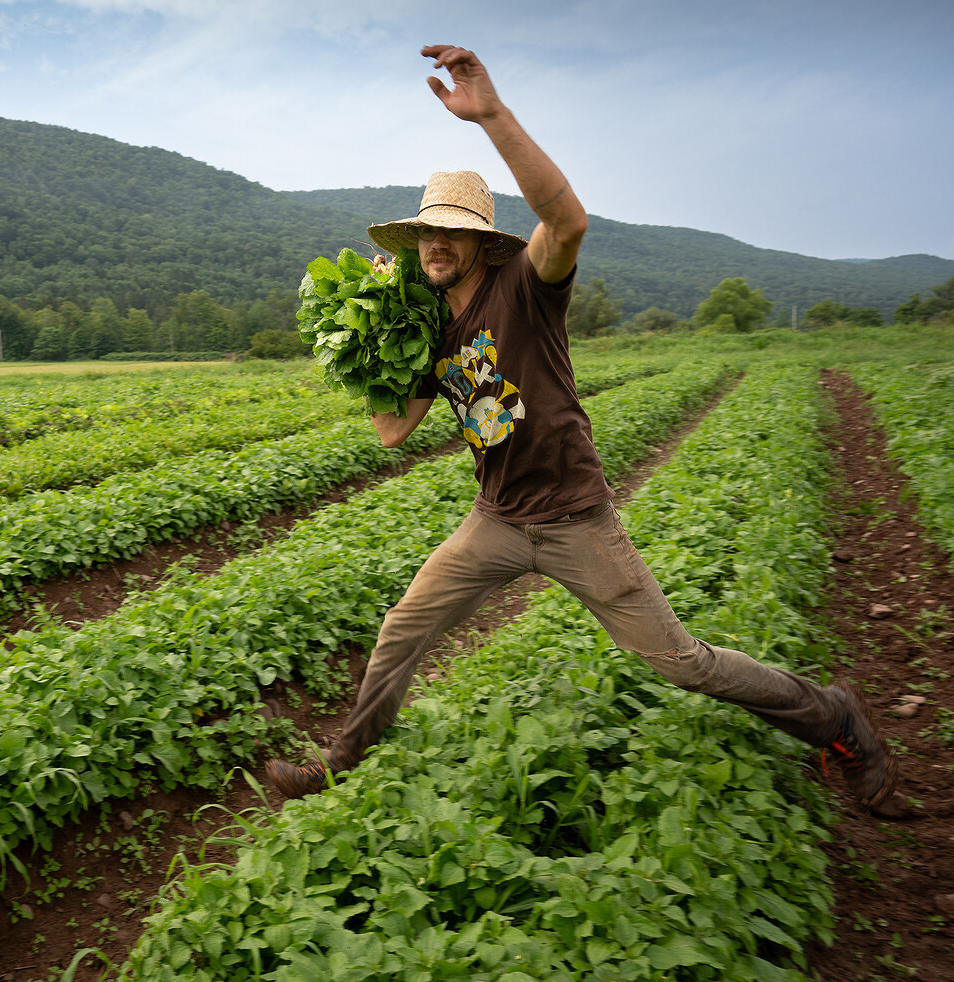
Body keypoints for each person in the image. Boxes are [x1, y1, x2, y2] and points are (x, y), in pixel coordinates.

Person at [264, 44, 903, 815]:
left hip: (574, 520)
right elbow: (392, 432)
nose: (436, 243)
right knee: (403, 629)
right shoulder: (428, 324)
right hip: (496, 520)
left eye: (451, 232)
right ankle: (343, 758)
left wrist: (491, 115)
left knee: (683, 663)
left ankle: (834, 717)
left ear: (479, 242)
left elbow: (567, 218)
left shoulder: (525, 285)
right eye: (425, 233)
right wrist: (373, 335)